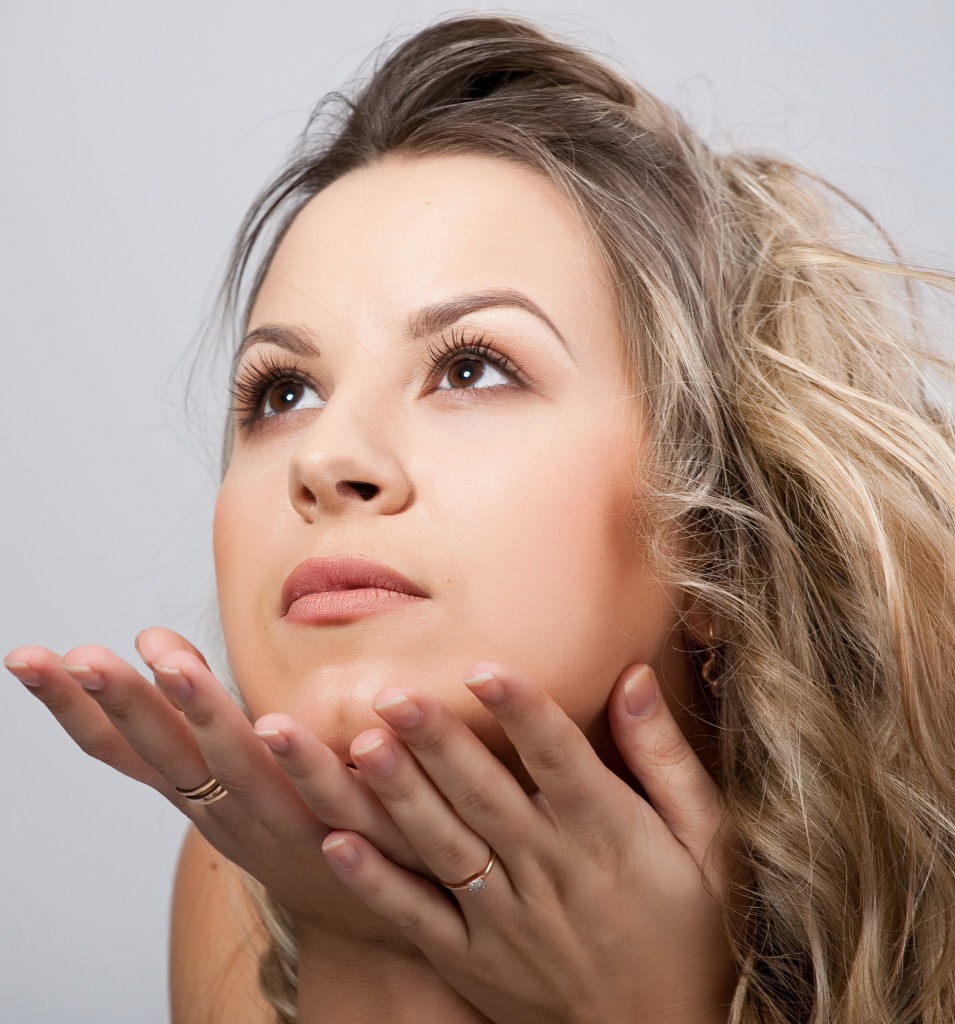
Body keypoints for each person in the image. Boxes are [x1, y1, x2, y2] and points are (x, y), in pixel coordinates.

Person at [7, 13, 955, 1024]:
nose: (326, 459)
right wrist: (363, 943)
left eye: (470, 369)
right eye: (284, 392)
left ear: (711, 534)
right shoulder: (251, 876)